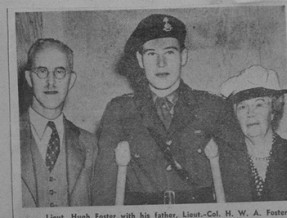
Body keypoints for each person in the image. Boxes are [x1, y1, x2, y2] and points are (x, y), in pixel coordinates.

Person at [92, 14, 246, 205]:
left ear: (183, 56)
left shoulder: (213, 108)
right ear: (140, 60)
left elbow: (238, 187)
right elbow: (104, 189)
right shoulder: (120, 111)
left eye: (169, 52)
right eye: (151, 54)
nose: (161, 63)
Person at [20, 38, 98, 207]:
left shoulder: (90, 144)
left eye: (60, 72)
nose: (51, 82)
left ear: (71, 80)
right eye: (42, 71)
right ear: (28, 78)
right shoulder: (6, 137)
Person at [220, 65, 287, 201]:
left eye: (259, 104)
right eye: (242, 107)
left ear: (273, 111)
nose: (250, 114)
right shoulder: (224, 159)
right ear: (235, 116)